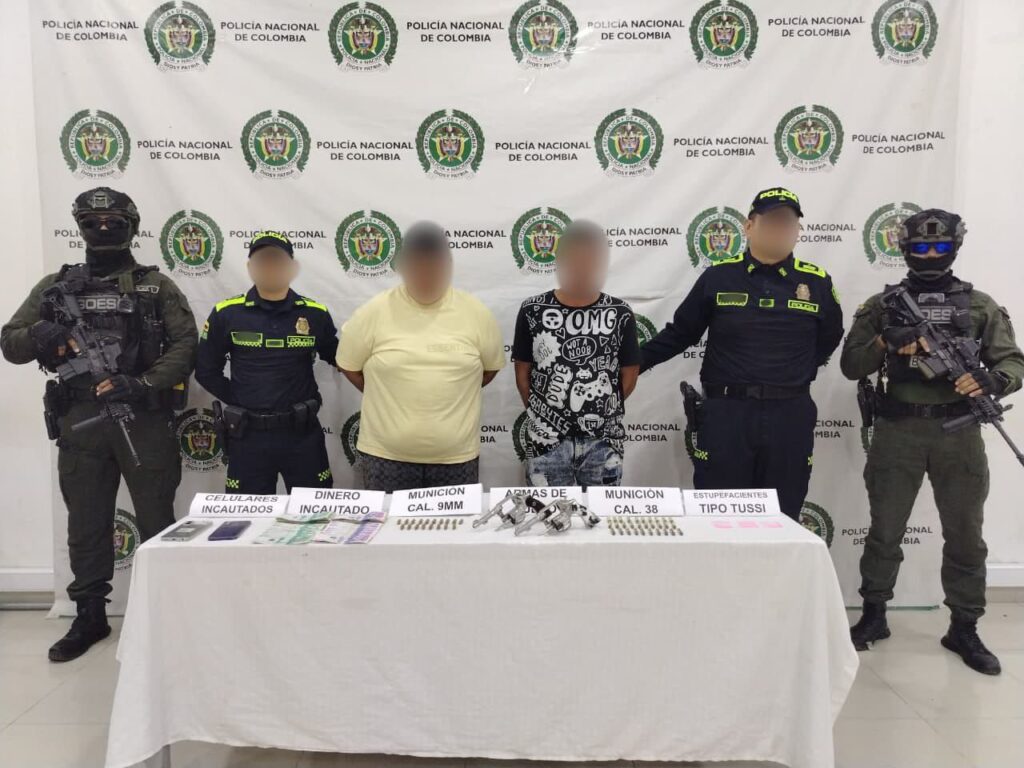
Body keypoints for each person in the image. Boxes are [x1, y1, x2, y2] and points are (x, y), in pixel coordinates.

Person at [1, 187, 197, 662]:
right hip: (81, 418)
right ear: (80, 227)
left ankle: (163, 614)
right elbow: (11, 343)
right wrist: (42, 333)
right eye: (93, 221)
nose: (104, 228)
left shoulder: (155, 286)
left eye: (114, 221)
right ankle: (90, 615)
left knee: (156, 518)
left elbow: (186, 345)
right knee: (86, 521)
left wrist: (142, 383)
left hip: (142, 417)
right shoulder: (54, 287)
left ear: (133, 225)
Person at [840, 208, 1024, 675]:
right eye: (920, 246)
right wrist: (886, 342)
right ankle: (874, 614)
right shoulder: (883, 306)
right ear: (904, 248)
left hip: (959, 433)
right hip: (898, 431)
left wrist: (991, 381)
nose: (928, 255)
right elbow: (851, 365)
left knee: (965, 534)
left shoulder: (979, 305)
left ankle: (964, 625)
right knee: (885, 530)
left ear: (954, 247)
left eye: (939, 246)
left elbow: (1013, 363)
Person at [640, 187, 843, 520]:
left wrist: (795, 371)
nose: (781, 230)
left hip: (789, 414)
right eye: (772, 221)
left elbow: (830, 337)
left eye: (788, 224)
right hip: (727, 415)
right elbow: (681, 333)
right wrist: (630, 364)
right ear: (749, 227)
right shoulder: (718, 277)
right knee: (718, 516)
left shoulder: (816, 282)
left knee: (783, 517)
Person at [336, 221, 504, 492]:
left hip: (456, 458)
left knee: (456, 522)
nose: (426, 275)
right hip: (385, 457)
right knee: (389, 522)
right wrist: (388, 390)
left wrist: (451, 388)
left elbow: (489, 370)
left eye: (434, 267)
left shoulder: (477, 313)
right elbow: (349, 366)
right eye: (417, 267)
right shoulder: (373, 312)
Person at [196, 231, 339, 493]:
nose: (270, 267)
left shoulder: (314, 313)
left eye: (278, 260)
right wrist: (242, 398)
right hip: (248, 436)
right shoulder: (227, 313)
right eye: (263, 261)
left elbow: (340, 358)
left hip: (302, 434)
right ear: (250, 267)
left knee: (314, 512)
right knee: (246, 514)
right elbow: (206, 371)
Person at [511, 220, 640, 486]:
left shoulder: (620, 313)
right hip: (546, 442)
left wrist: (602, 410)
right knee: (546, 511)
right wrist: (544, 414)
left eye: (589, 260)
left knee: (600, 512)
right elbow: (522, 373)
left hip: (603, 442)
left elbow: (629, 374)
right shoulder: (533, 310)